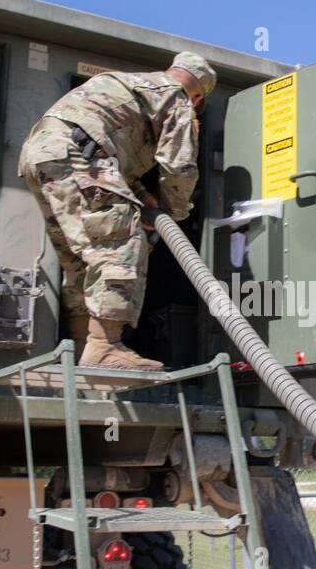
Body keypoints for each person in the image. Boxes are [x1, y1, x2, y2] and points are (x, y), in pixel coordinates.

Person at [17, 51, 217, 369]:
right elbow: (179, 165)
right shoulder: (174, 95)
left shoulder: (130, 83)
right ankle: (104, 348)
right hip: (77, 155)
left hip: (42, 155)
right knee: (122, 243)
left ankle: (87, 349)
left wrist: (141, 196)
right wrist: (173, 213)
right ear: (196, 96)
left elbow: (105, 151)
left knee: (83, 257)